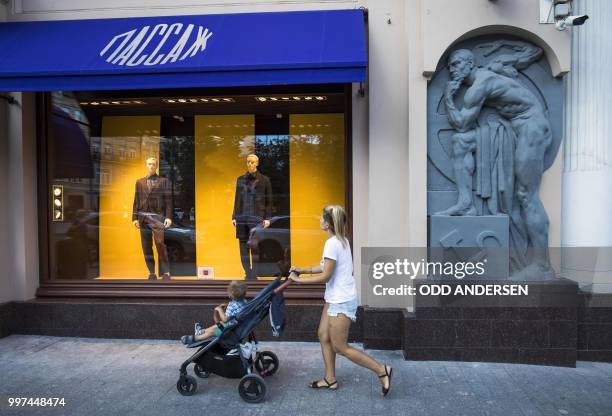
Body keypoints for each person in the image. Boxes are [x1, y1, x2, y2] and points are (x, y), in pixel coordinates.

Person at [289, 205, 393, 396]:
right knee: (323, 334)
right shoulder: (340, 240)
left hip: (341, 300)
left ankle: (381, 370)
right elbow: (324, 266)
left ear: (328, 223)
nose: (319, 220)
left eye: (321, 218)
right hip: (335, 296)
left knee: (340, 346)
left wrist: (299, 281)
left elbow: (326, 276)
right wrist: (302, 270)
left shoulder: (333, 243)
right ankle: (330, 379)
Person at [232, 154, 273, 280]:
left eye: (252, 162)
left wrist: (268, 218)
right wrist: (234, 216)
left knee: (255, 247)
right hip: (242, 217)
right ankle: (248, 273)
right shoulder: (240, 179)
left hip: (257, 218)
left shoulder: (264, 180)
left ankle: (254, 273)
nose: (250, 164)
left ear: (257, 163)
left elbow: (269, 200)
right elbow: (237, 199)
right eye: (248, 162)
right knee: (243, 247)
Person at [132, 157, 173, 280]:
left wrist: (168, 217)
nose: (151, 166)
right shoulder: (139, 182)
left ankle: (166, 272)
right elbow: (136, 200)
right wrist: (134, 217)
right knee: (146, 246)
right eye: (149, 164)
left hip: (157, 217)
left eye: (153, 164)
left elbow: (169, 200)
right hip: (143, 217)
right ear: (146, 165)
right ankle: (151, 272)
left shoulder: (163, 181)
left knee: (160, 244)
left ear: (156, 166)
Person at [181, 280, 248, 344]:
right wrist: (227, 305)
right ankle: (202, 331)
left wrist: (219, 310)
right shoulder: (245, 302)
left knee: (212, 332)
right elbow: (237, 309)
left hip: (230, 330)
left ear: (231, 295)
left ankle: (196, 338)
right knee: (218, 325)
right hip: (237, 326)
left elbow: (225, 319)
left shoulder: (232, 306)